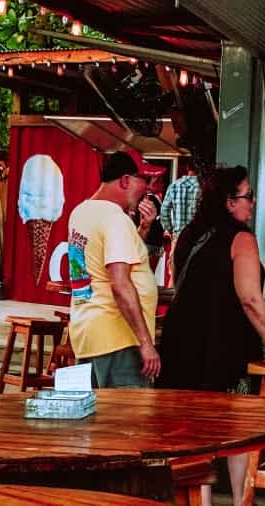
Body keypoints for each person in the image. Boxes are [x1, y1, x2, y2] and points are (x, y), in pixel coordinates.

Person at [158, 165, 265, 505]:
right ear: (228, 202)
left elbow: (182, 282)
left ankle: (200, 501)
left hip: (179, 344)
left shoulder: (189, 235)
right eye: (247, 195)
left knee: (192, 433)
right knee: (238, 430)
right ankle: (241, 501)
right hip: (222, 347)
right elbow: (250, 298)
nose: (252, 201)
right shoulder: (242, 239)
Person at [64, 150, 165, 388]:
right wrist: (146, 343)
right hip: (118, 339)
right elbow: (119, 283)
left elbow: (103, 262)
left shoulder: (81, 212)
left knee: (97, 420)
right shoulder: (114, 218)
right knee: (128, 421)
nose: (148, 190)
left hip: (88, 333)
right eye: (145, 180)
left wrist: (142, 230)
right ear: (125, 180)